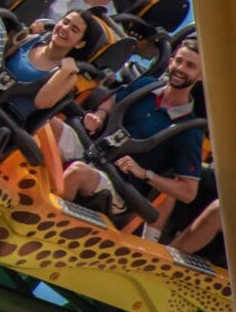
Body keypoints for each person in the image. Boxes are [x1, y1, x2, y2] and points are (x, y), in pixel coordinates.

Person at [59, 38, 203, 215]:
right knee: (50, 125)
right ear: (170, 61)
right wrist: (100, 115)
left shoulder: (188, 130)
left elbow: (188, 192)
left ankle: (39, 220)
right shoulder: (146, 85)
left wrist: (145, 174)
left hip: (119, 185)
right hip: (93, 150)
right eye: (179, 61)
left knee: (77, 173)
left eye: (190, 66)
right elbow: (114, 100)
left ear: (201, 76)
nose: (180, 69)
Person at [0, 11, 93, 155]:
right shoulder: (30, 40)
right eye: (65, 22)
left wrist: (64, 71)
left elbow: (42, 102)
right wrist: (23, 32)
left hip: (4, 117)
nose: (65, 29)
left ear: (79, 44)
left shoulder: (68, 76)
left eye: (74, 29)